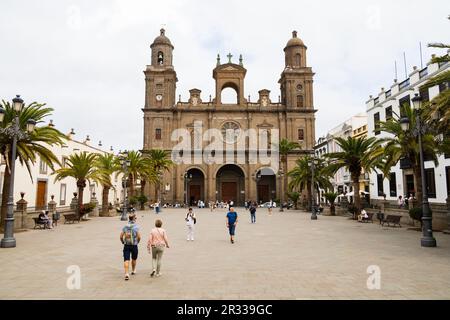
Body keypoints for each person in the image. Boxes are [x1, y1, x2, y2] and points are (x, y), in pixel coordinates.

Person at [120, 213, 141, 281]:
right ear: (134, 219)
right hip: (134, 245)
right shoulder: (136, 227)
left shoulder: (125, 227)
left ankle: (126, 273)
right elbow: (139, 237)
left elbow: (121, 236)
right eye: (135, 218)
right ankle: (133, 270)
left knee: (126, 260)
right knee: (134, 259)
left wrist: (123, 241)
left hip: (126, 245)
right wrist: (137, 242)